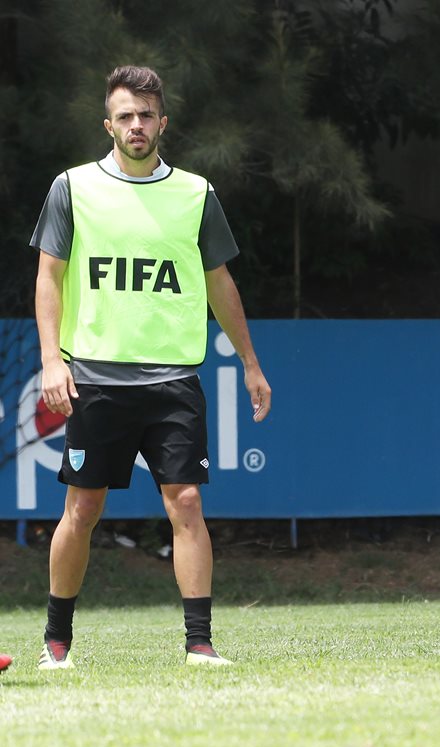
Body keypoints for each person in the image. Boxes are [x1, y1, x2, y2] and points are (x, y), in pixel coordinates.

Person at [30, 65, 272, 668]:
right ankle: (56, 643)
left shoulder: (196, 193)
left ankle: (200, 644)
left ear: (163, 121)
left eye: (146, 115)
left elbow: (220, 282)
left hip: (172, 379)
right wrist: (52, 359)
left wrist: (250, 362)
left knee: (186, 501)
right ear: (107, 123)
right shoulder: (72, 186)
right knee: (82, 509)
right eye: (125, 116)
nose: (136, 125)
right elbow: (48, 278)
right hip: (96, 376)